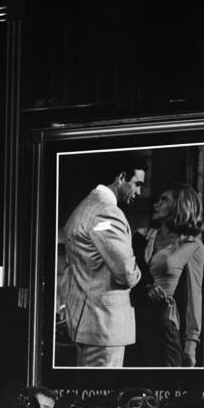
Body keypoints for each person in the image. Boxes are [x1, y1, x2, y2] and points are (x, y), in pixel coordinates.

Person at [60, 154, 146, 367]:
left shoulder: (87, 206)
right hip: (103, 327)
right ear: (121, 178)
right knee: (102, 393)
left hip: (89, 323)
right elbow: (126, 274)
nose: (139, 192)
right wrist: (139, 269)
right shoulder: (107, 213)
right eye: (137, 184)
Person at [134, 183, 204, 366]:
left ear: (179, 206)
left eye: (163, 200)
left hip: (163, 323)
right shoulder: (142, 236)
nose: (156, 204)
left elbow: (194, 298)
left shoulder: (192, 245)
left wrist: (190, 347)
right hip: (134, 321)